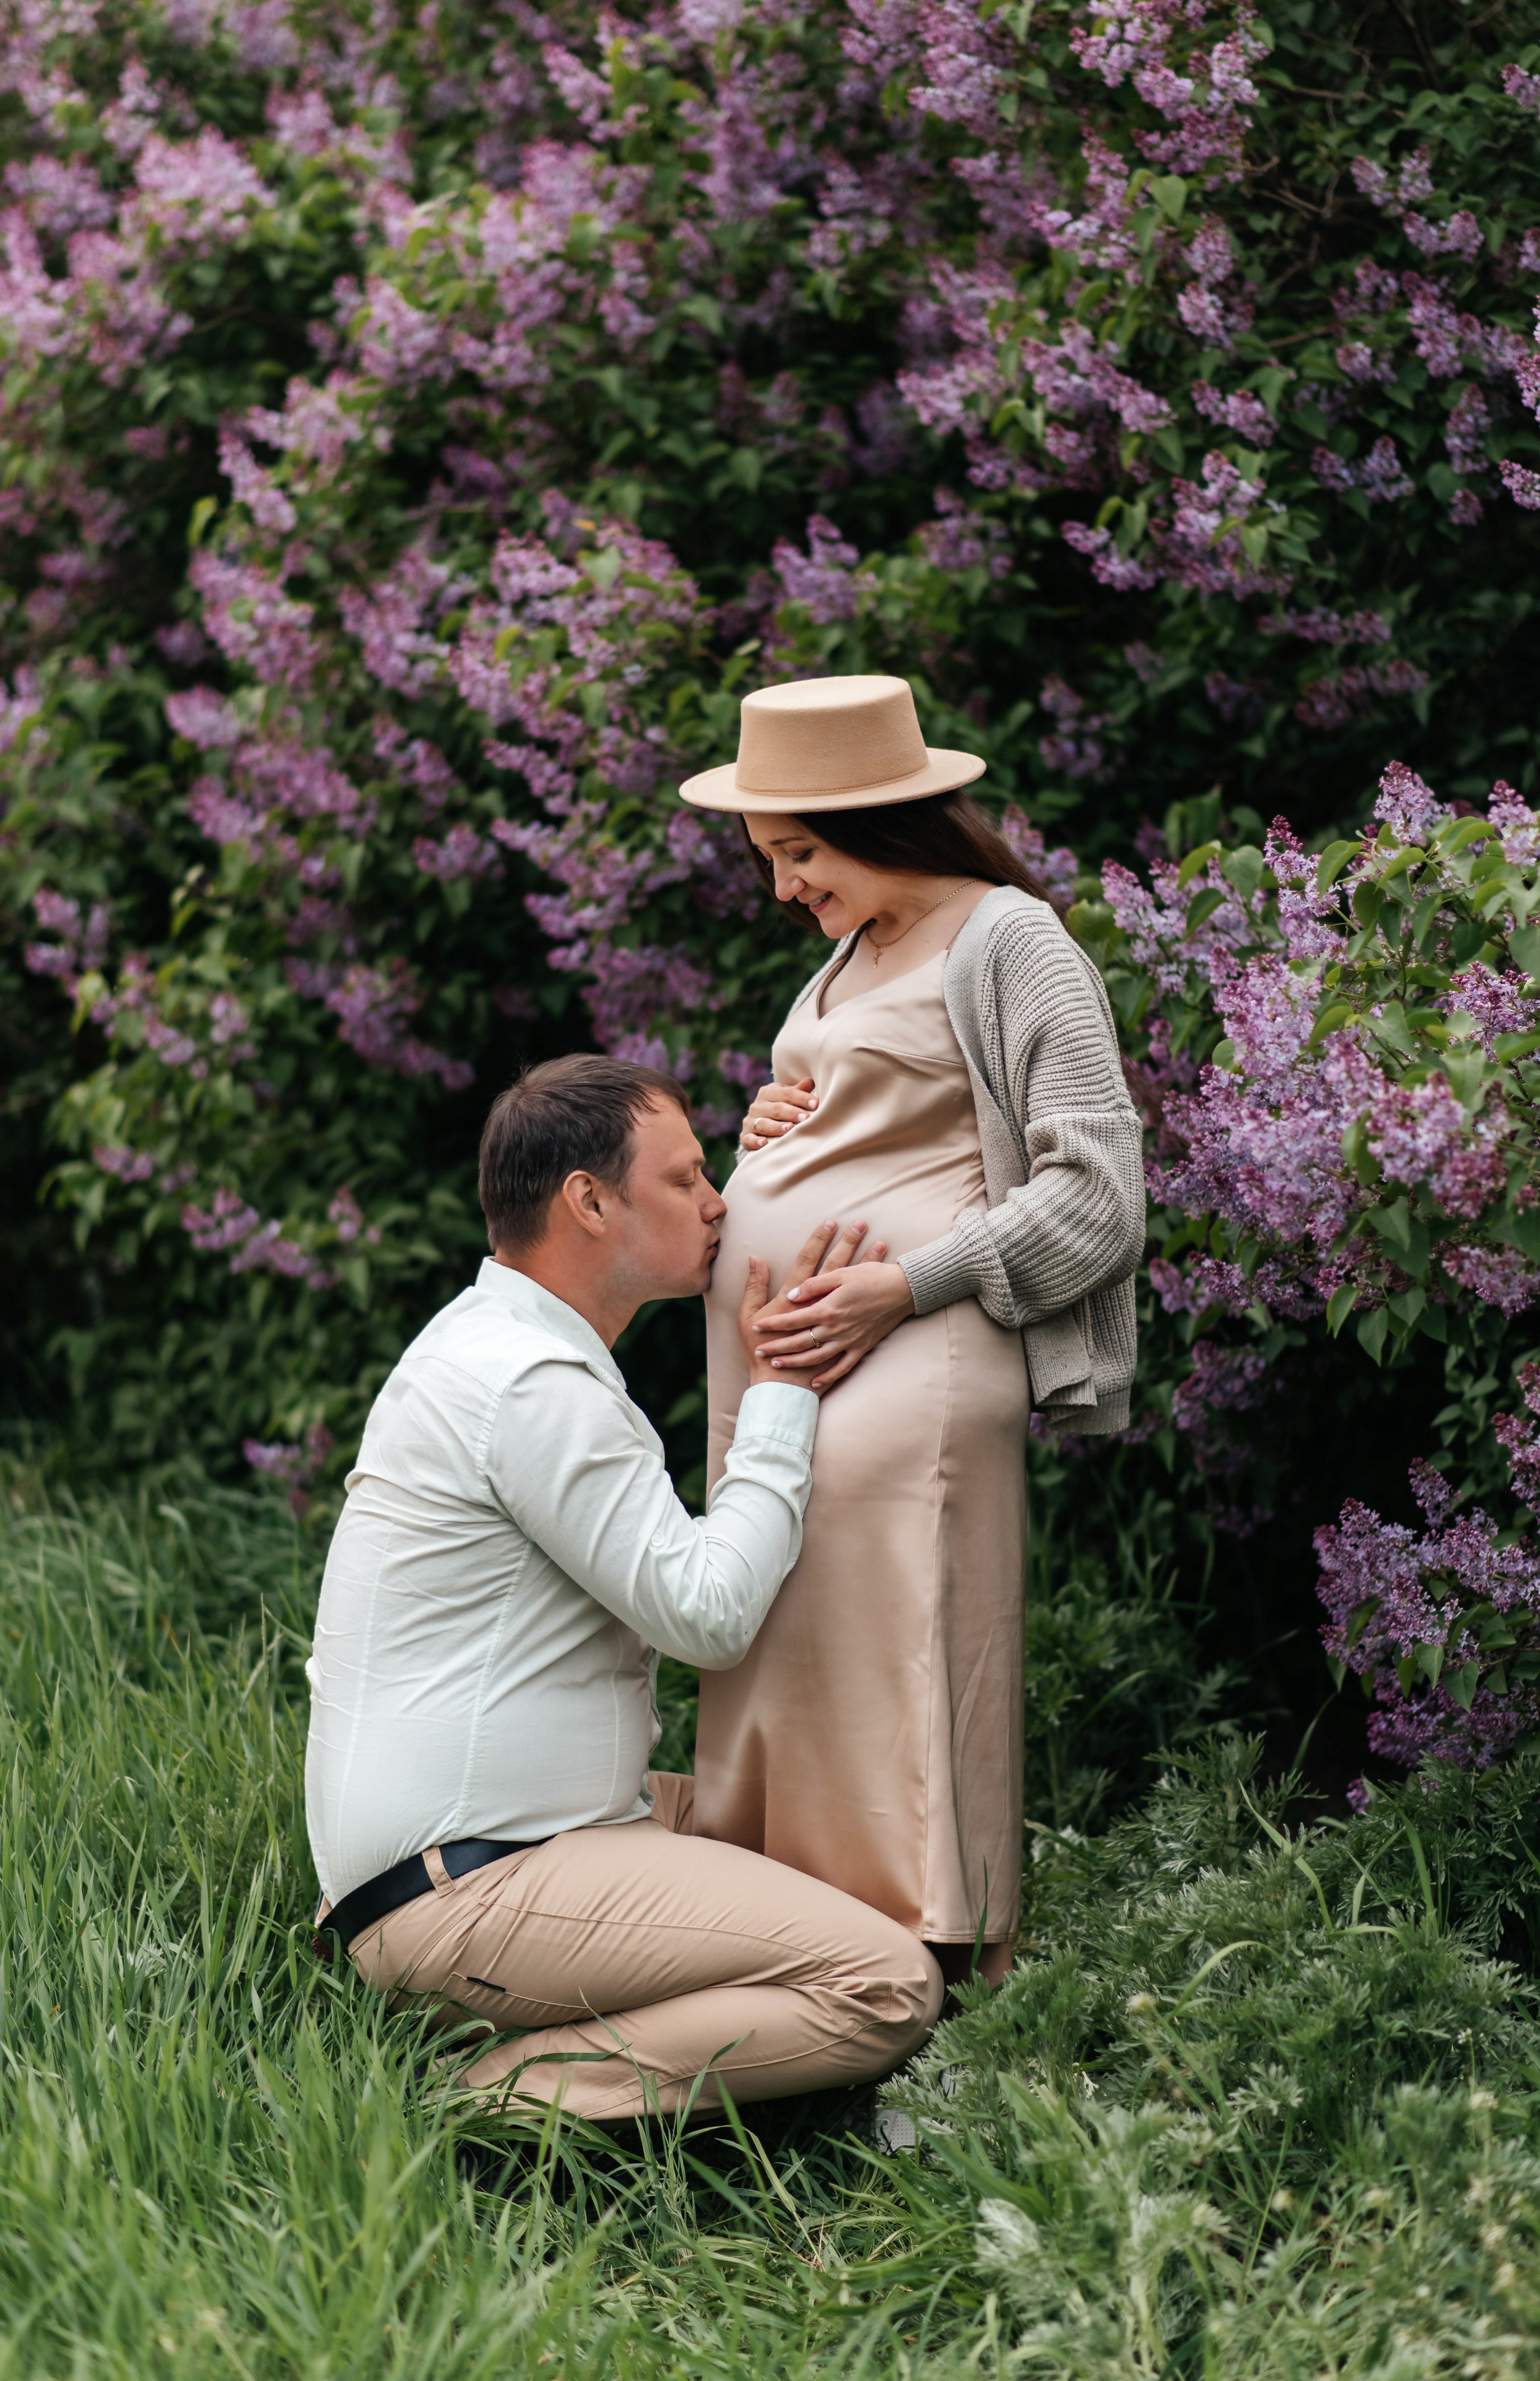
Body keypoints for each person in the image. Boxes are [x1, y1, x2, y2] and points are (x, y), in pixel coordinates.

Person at [304, 1052, 943, 2126]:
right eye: (687, 1178)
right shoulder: (527, 1383)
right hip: (469, 1884)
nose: (717, 1202)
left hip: (516, 1839)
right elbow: (707, 1614)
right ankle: (485, 2099)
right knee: (884, 1985)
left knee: (816, 1813)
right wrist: (781, 1399)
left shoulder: (500, 1347)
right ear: (589, 1201)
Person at [679, 674, 1145, 1987]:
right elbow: (878, 1126)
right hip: (781, 1375)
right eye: (771, 860)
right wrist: (766, 1129)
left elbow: (1096, 1194)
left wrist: (905, 1285)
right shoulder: (852, 949)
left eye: (800, 854)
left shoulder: (1010, 942)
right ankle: (794, 1955)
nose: (783, 891)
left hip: (911, 1360)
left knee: (907, 1659)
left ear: (885, 823)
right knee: (787, 1665)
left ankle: (955, 1978)